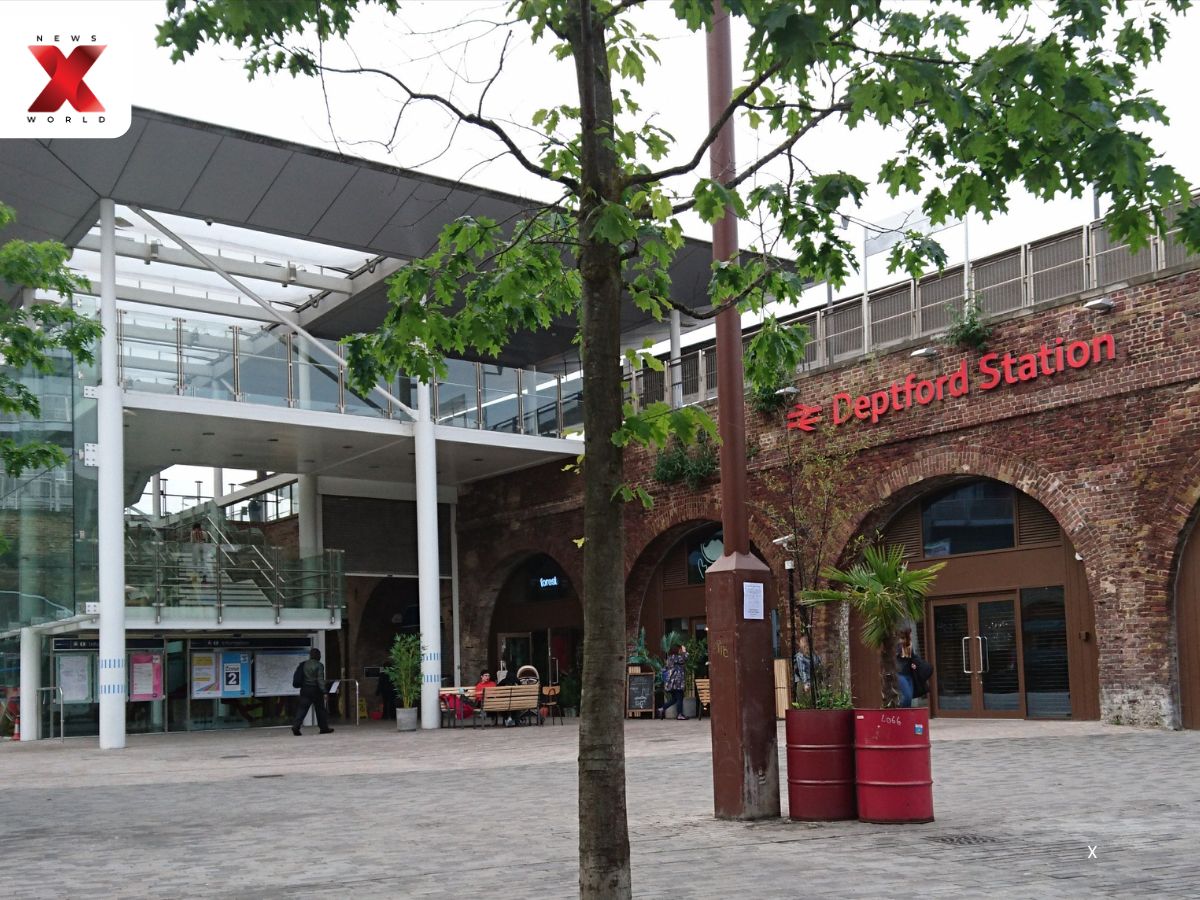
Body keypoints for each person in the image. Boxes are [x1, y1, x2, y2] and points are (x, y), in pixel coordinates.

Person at [292, 648, 334, 735]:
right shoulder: (319, 665)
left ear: (310, 655)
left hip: (305, 689)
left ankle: (296, 726)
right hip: (316, 690)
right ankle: (323, 728)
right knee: (320, 710)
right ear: (318, 655)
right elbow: (320, 679)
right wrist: (324, 691)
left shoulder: (304, 664)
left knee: (302, 709)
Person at [896, 628, 927, 708]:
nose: (911, 635)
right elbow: (905, 655)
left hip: (909, 675)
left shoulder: (908, 645)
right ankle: (900, 713)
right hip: (901, 675)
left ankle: (906, 717)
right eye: (910, 634)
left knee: (909, 699)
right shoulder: (900, 646)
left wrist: (915, 663)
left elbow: (913, 657)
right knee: (907, 696)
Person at [659, 643, 688, 720]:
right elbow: (685, 658)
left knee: (674, 699)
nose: (681, 651)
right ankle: (679, 715)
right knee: (680, 698)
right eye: (680, 649)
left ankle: (662, 709)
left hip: (671, 683)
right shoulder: (676, 657)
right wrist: (685, 651)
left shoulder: (670, 658)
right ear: (677, 650)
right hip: (677, 682)